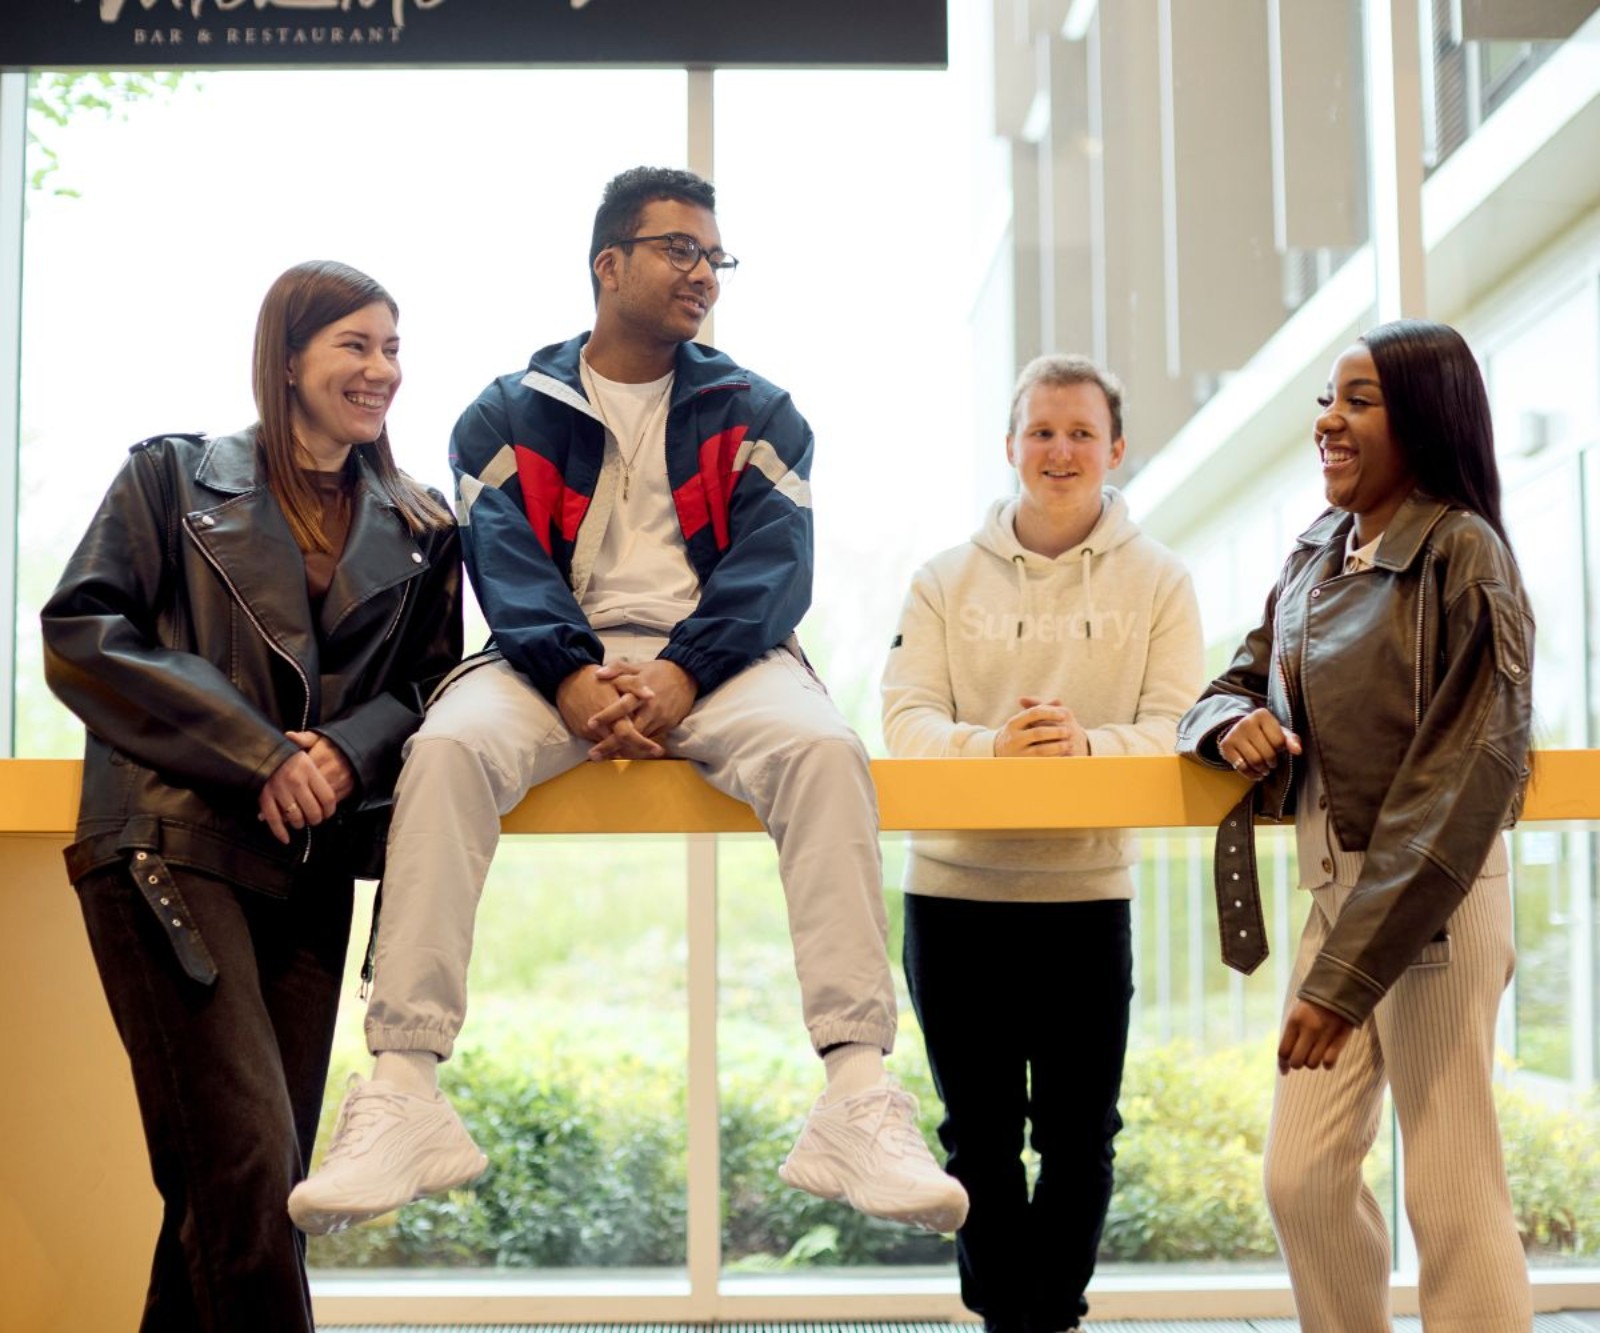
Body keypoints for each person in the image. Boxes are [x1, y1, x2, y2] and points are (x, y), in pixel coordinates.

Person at [288, 165, 968, 1236]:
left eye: (714, 256)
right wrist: (571, 676)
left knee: (825, 752)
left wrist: (679, 673)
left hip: (720, 663)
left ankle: (855, 1090)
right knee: (448, 750)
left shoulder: (760, 411)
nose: (703, 272)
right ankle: (404, 1087)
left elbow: (771, 570)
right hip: (548, 662)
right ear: (609, 265)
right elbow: (505, 566)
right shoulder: (504, 413)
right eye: (678, 249)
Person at [40, 260, 463, 1333]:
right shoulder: (172, 479)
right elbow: (83, 635)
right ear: (288, 360)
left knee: (244, 1191)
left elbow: (433, 687)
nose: (382, 370)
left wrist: (345, 751)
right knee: (244, 1173)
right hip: (168, 846)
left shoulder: (421, 525)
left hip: (310, 876)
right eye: (355, 346)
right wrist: (262, 752)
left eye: (393, 347)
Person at [1177, 319, 1535, 1331]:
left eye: (1358, 401)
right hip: (1338, 892)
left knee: (1450, 1193)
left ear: (1423, 419)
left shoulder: (1462, 556)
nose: (1327, 420)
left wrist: (1341, 980)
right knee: (1300, 1180)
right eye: (1327, 400)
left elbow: (1463, 780)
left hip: (1433, 903)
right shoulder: (1314, 554)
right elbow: (1226, 683)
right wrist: (1227, 723)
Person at [881, 354, 1203, 1332]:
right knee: (974, 1135)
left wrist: (1085, 747)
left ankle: (1046, 1318)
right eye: (1040, 431)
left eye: (1078, 433)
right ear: (1010, 444)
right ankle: (1006, 1321)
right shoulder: (941, 580)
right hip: (952, 893)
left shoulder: (1161, 581)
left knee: (1078, 1135)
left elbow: (1179, 724)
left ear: (1114, 448)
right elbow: (903, 721)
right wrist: (997, 748)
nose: (1058, 451)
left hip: (1084, 893)